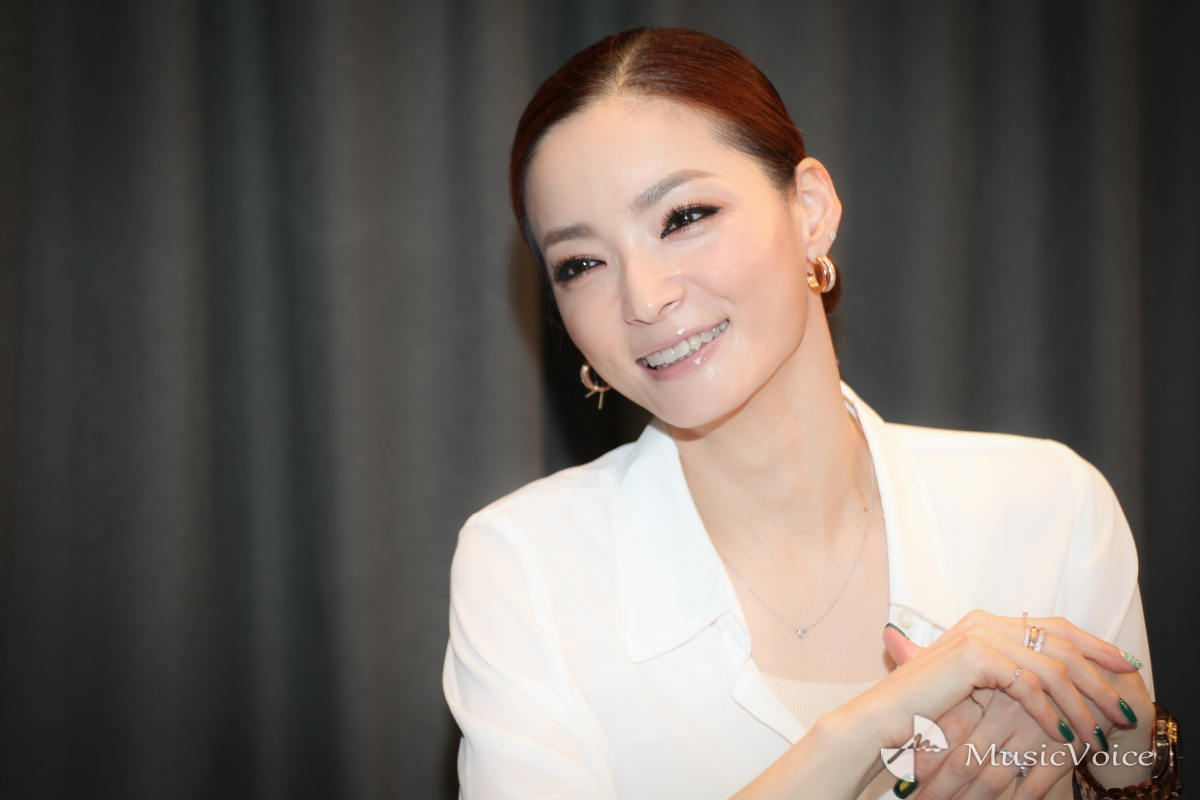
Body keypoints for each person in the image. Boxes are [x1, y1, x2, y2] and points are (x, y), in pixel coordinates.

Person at [443, 28, 1176, 800]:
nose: (644, 298)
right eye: (582, 263)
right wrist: (861, 732)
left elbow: (1129, 770)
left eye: (684, 217)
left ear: (811, 211)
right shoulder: (528, 566)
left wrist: (1129, 754)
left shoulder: (1050, 507)